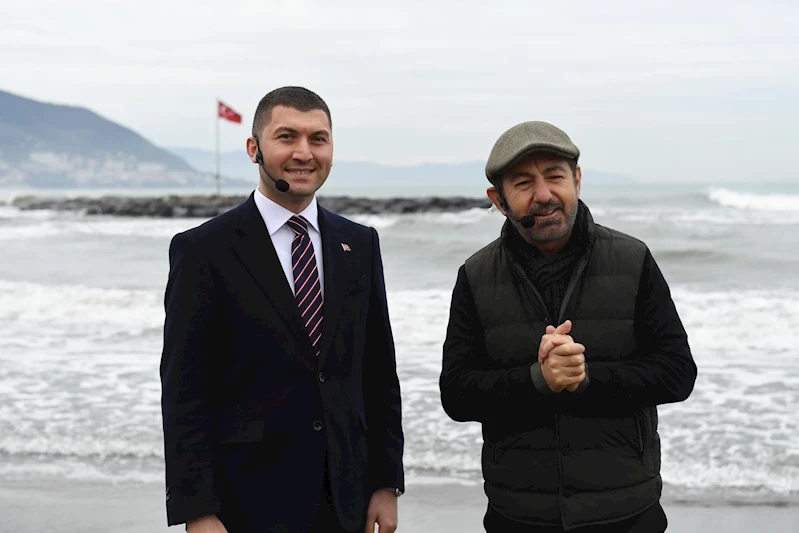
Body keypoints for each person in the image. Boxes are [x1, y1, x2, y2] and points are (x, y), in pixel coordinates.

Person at [160, 86, 404, 533]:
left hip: (346, 499)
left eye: (318, 139)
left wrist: (386, 484)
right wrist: (198, 510)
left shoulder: (360, 243)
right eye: (287, 137)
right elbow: (184, 391)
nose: (304, 153)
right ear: (254, 148)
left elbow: (379, 374)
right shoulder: (202, 250)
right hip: (246, 503)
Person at [439, 121, 697, 532]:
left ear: (576, 180)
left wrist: (587, 377)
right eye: (523, 183)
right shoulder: (475, 275)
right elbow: (456, 394)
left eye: (555, 176)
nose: (543, 195)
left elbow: (678, 374)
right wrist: (537, 380)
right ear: (499, 200)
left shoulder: (633, 260)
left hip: (627, 511)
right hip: (518, 514)